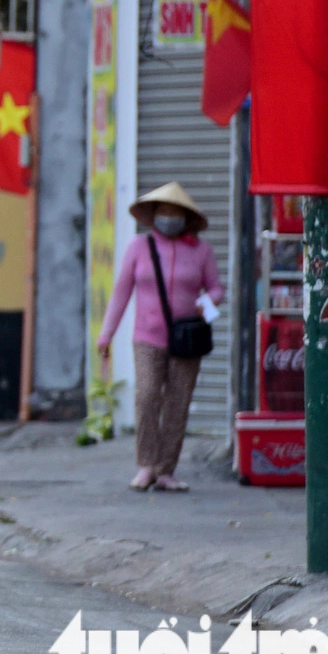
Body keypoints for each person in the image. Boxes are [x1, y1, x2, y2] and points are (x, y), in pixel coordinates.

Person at [97, 182, 223, 493]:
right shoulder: (138, 248)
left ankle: (167, 471)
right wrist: (106, 334)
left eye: (174, 212)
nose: (169, 217)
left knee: (178, 403)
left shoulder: (201, 251)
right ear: (153, 215)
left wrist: (204, 305)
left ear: (186, 217)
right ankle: (146, 466)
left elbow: (217, 289)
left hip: (187, 339)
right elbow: (121, 293)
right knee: (147, 395)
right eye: (163, 211)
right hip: (147, 337)